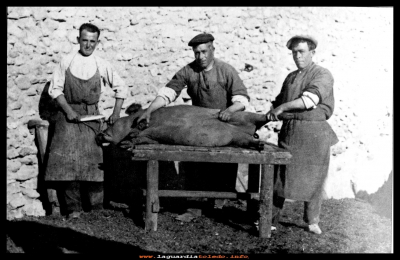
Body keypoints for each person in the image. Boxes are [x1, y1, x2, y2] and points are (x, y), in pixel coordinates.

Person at [137, 33, 250, 208]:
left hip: (224, 125)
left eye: (204, 52)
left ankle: (218, 205)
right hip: (198, 126)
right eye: (197, 53)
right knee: (194, 164)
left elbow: (241, 99)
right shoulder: (188, 71)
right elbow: (169, 93)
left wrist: (230, 110)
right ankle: (194, 207)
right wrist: (150, 110)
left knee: (223, 167)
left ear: (212, 49)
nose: (201, 57)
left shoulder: (226, 70)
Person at [45, 23, 128, 219]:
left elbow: (121, 88)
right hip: (68, 119)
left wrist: (115, 113)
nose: (88, 45)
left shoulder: (102, 64)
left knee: (94, 164)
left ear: (97, 42)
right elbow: (54, 90)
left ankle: (96, 209)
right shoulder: (66, 62)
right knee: (68, 164)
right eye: (85, 40)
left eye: (92, 41)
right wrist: (68, 110)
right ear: (78, 40)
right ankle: (73, 209)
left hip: (92, 118)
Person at [266, 35, 338, 234]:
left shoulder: (322, 74)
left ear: (312, 53)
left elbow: (309, 100)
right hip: (290, 132)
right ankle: (270, 219)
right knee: (280, 177)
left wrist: (281, 108)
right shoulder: (291, 77)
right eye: (294, 52)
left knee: (315, 178)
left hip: (314, 134)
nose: (297, 56)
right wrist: (271, 112)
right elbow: (278, 102)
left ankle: (312, 221)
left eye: (302, 51)